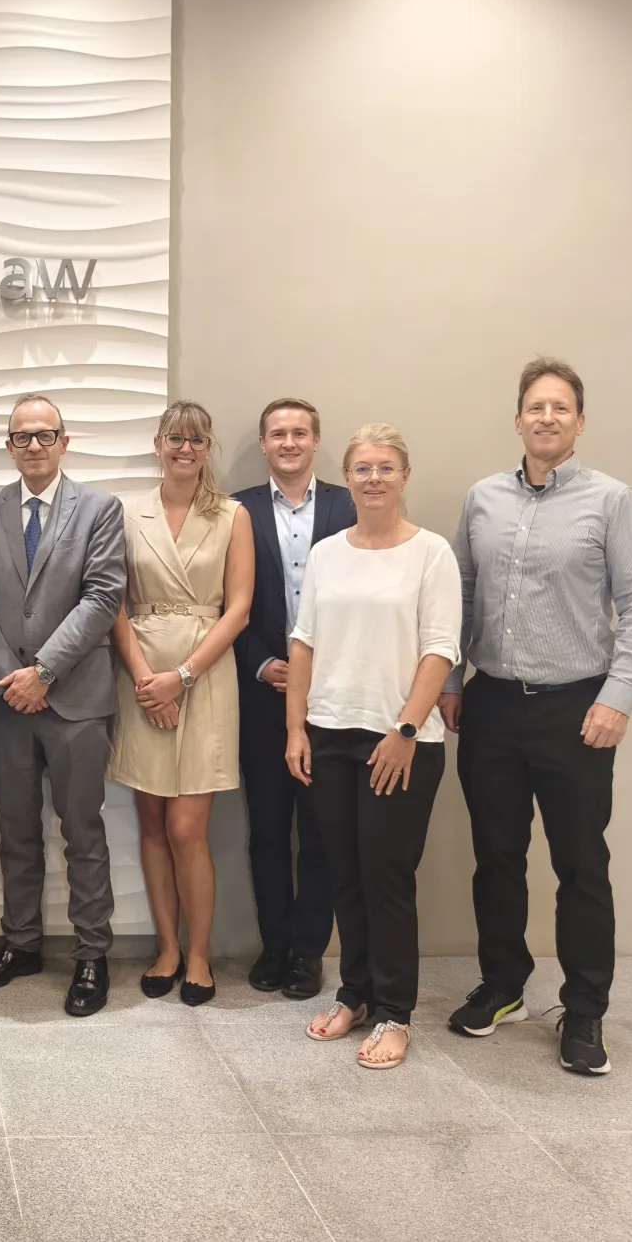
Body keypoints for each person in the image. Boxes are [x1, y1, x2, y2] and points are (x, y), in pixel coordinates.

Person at [438, 358, 632, 1077]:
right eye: (536, 407)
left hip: (577, 708)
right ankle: (503, 985)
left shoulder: (611, 501)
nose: (547, 418)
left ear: (580, 422)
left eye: (561, 408)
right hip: (493, 703)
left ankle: (585, 1009)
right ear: (518, 420)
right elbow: (461, 593)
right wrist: (451, 680)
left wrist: (617, 698)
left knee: (581, 864)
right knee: (497, 857)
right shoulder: (483, 499)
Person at [286, 423, 460, 1070]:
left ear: (404, 476)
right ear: (348, 478)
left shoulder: (431, 553)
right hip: (330, 732)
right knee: (344, 875)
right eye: (362, 468)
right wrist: (296, 728)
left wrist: (406, 731)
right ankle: (355, 994)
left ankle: (394, 1012)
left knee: (386, 878)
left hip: (400, 740)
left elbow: (440, 649)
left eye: (386, 468)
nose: (374, 479)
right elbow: (303, 642)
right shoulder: (327, 553)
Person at [0, 394, 127, 1017]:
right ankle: (22, 943)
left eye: (45, 435)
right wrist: (14, 677)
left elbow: (103, 597)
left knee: (82, 830)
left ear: (64, 441)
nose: (34, 445)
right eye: (22, 436)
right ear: (8, 446)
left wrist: (45, 673)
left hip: (77, 701)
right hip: (6, 701)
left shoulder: (100, 509)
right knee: (15, 830)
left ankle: (92, 953)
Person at [108, 401, 253, 1007]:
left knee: (187, 828)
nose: (184, 449)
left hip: (206, 673)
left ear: (207, 447)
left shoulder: (232, 515)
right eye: (175, 438)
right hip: (141, 672)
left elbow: (238, 609)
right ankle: (167, 947)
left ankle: (199, 955)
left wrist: (182, 677)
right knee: (150, 821)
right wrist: (148, 681)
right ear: (158, 444)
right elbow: (114, 602)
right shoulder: (126, 512)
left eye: (195, 440)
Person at [232, 398, 356, 1000]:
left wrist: (315, 667)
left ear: (315, 440)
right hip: (263, 694)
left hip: (331, 696)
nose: (289, 442)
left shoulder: (348, 505)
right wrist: (262, 663)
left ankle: (309, 951)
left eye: (299, 433)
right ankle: (275, 945)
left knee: (322, 833)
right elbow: (225, 604)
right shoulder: (238, 510)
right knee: (268, 830)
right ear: (264, 443)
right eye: (278, 433)